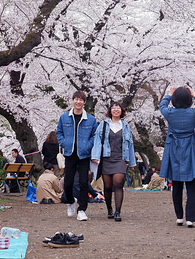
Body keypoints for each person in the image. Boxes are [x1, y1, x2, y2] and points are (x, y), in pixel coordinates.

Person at [159, 86, 195, 228]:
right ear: (189, 99)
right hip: (191, 149)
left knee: (177, 184)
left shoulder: (169, 113)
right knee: (192, 184)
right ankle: (190, 218)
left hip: (174, 149)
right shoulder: (194, 113)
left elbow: (161, 106)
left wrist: (168, 95)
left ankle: (179, 216)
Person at [91, 101, 137, 221]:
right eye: (113, 108)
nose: (116, 110)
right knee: (107, 186)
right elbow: (97, 140)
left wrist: (132, 162)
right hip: (106, 158)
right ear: (110, 110)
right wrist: (95, 156)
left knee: (118, 182)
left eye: (118, 108)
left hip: (120, 158)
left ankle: (118, 211)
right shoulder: (103, 124)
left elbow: (130, 144)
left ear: (122, 111)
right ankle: (109, 209)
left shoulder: (126, 126)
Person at [56, 89, 97, 221]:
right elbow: (59, 132)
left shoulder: (90, 119)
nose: (78, 102)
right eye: (76, 99)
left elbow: (94, 135)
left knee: (84, 182)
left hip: (84, 155)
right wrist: (64, 143)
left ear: (84, 102)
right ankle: (70, 201)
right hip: (69, 153)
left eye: (81, 100)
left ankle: (82, 210)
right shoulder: (64, 117)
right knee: (67, 182)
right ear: (73, 101)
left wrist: (88, 146)